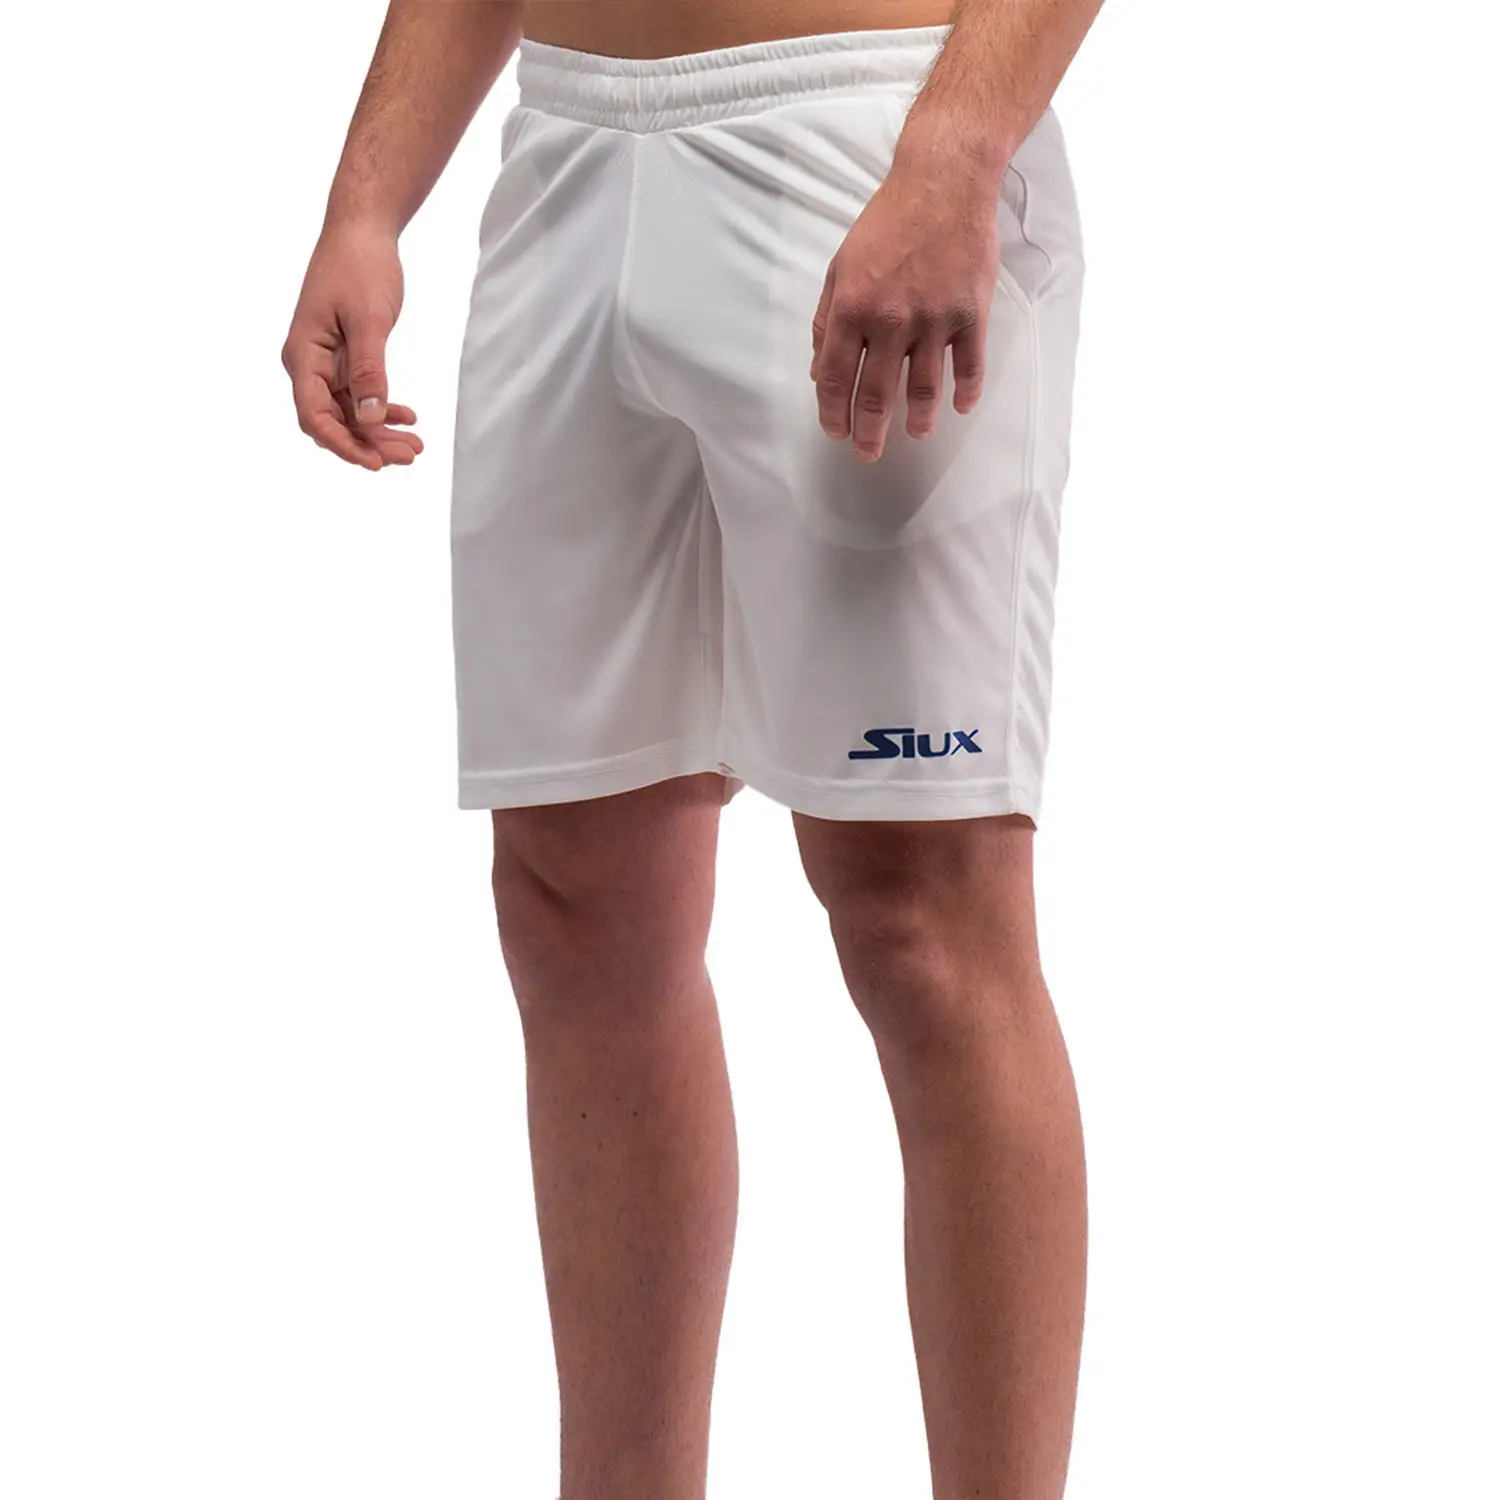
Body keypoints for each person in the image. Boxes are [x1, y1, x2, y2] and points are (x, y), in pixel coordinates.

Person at [282, 2, 1104, 1497]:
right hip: (569, 159)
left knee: (924, 924)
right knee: (575, 904)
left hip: (868, 130)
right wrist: (368, 200)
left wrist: (958, 148)